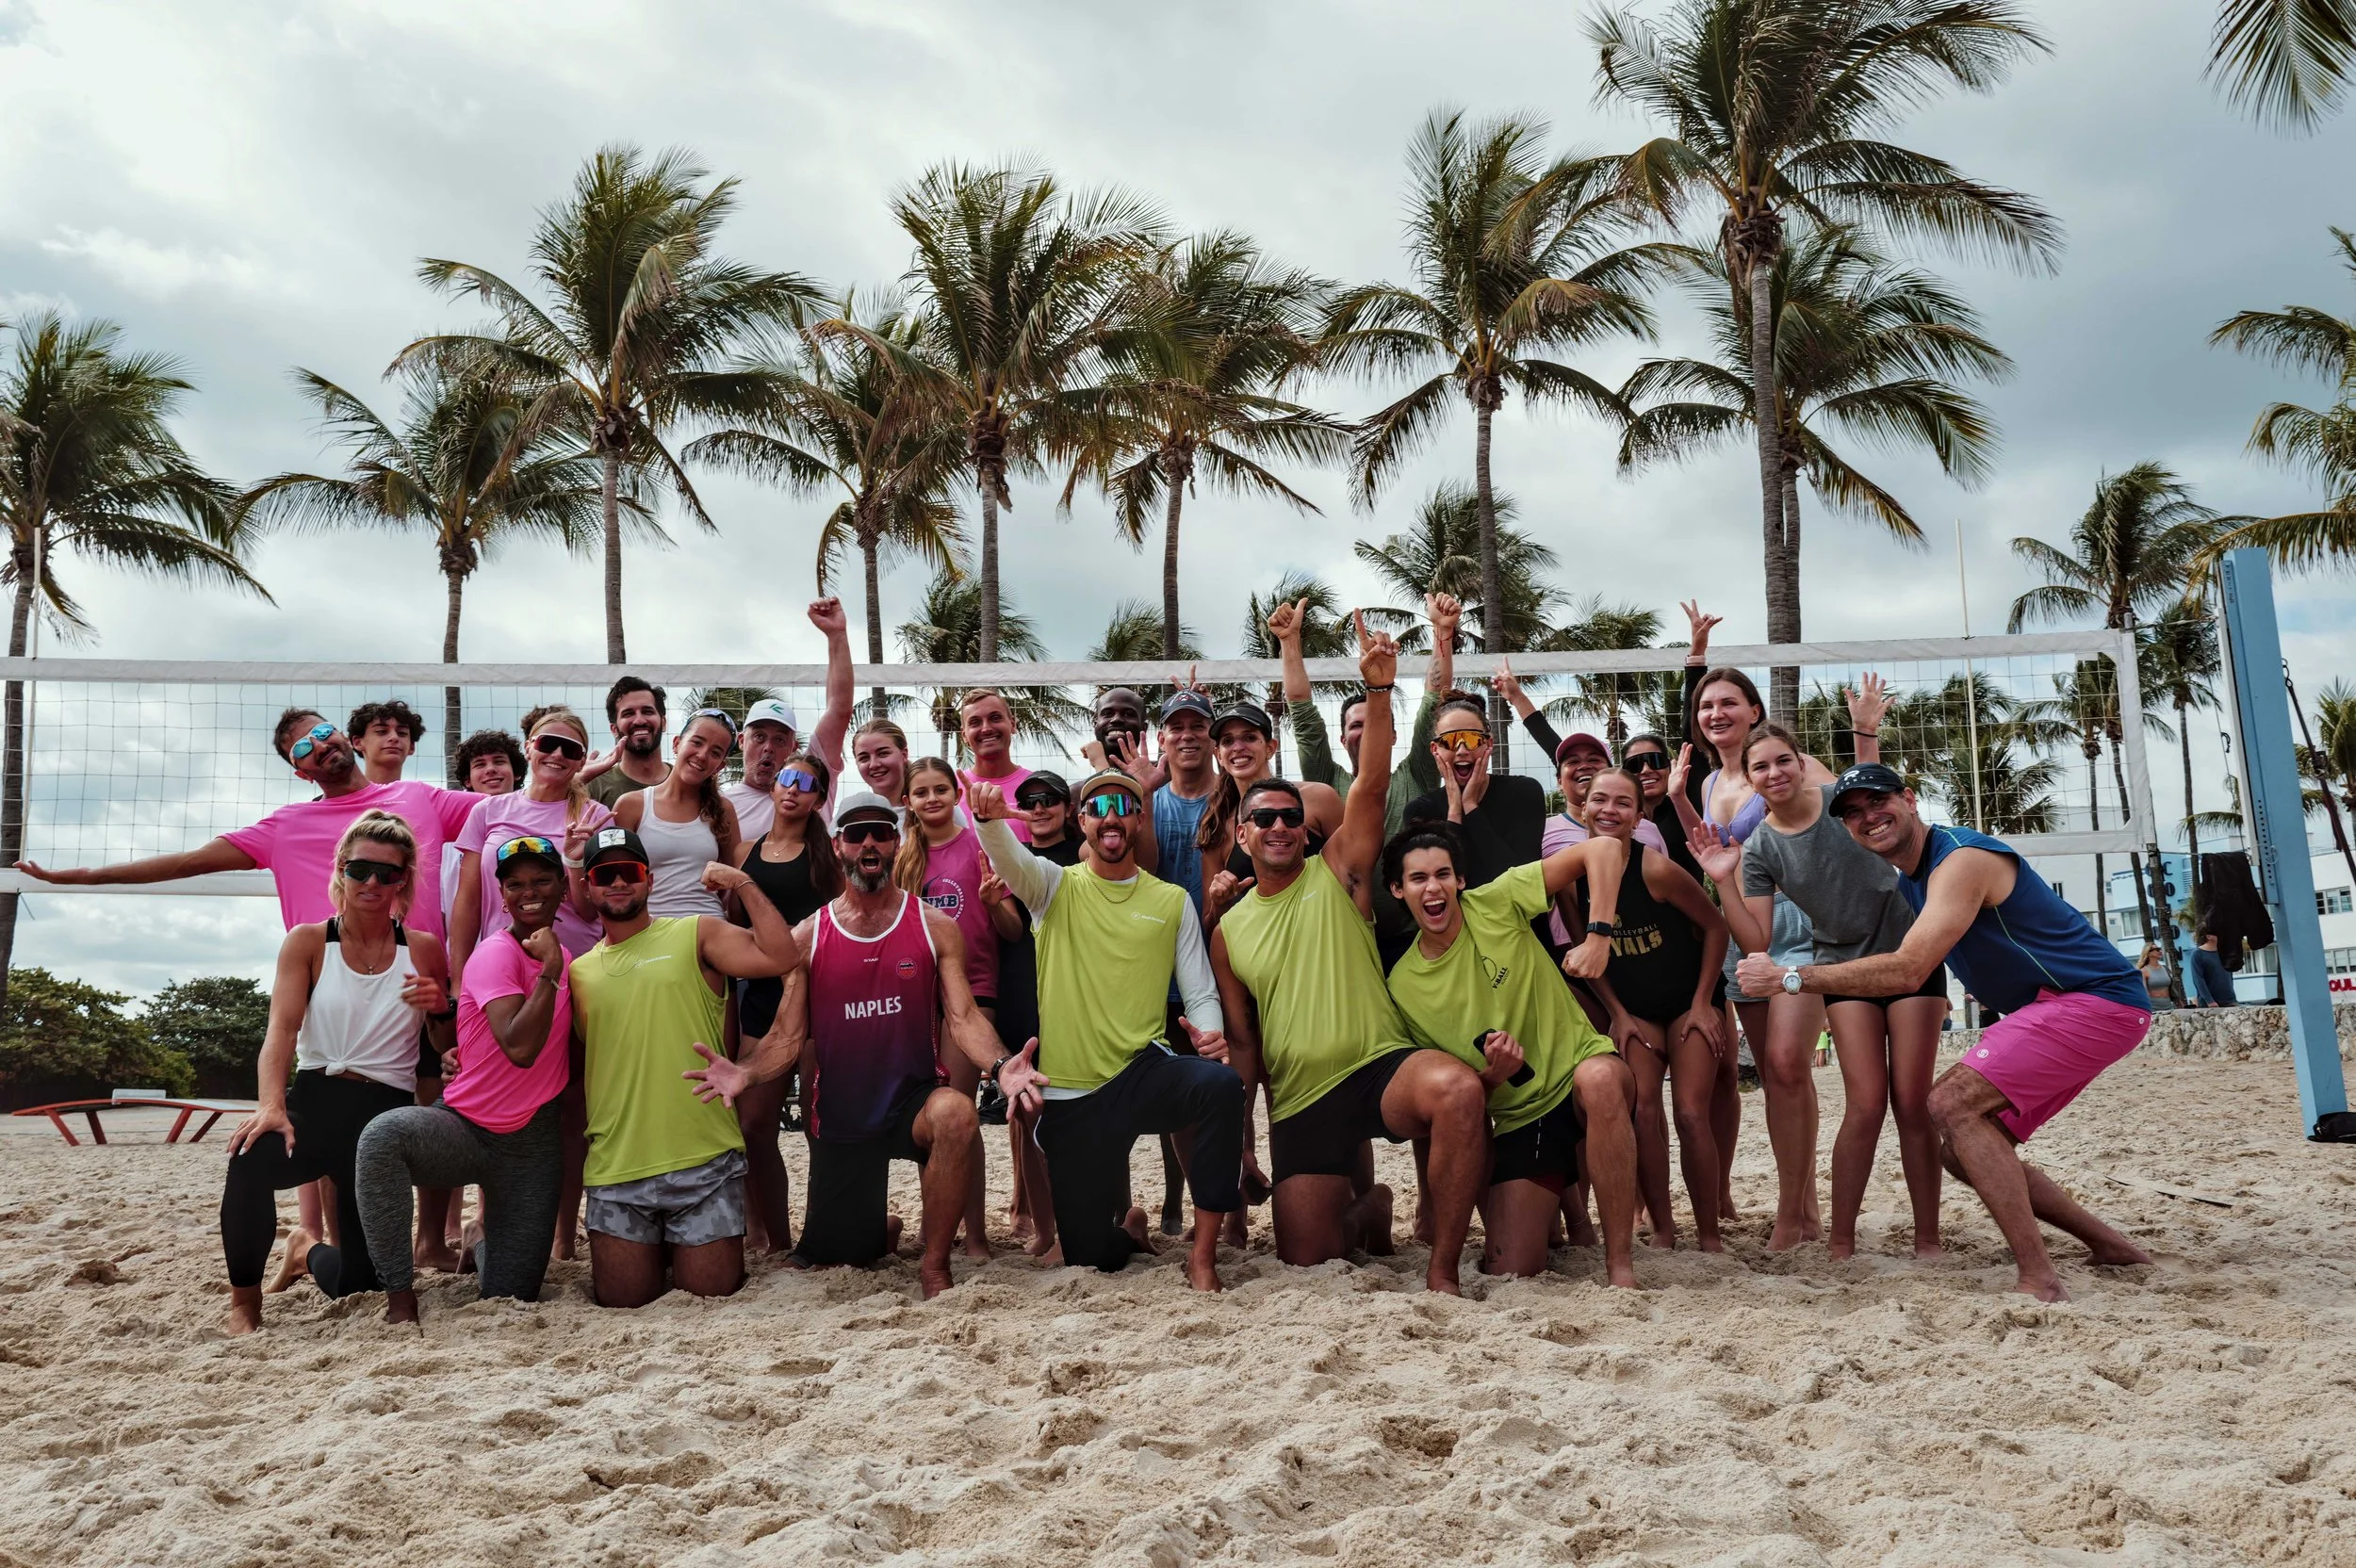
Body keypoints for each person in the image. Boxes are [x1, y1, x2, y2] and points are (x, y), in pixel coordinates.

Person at [1742, 764, 2154, 1301]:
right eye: (1853, 813)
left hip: (2094, 1001)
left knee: (1949, 1104)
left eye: (1879, 801)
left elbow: (1909, 969)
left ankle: (2038, 1276)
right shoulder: (1912, 876)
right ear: (1844, 828)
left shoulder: (1960, 859)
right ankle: (2110, 1245)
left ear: (1910, 799)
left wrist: (1789, 977)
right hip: (2061, 1008)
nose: (1869, 817)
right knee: (1962, 1151)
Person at [1213, 615, 1490, 1296]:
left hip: (1378, 1066)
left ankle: (1443, 1269)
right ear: (1242, 834)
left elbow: (1368, 785)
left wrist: (1380, 692)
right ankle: (1374, 1209)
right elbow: (1243, 1044)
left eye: (1290, 817)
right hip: (1302, 1098)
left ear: (1306, 830)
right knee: (1307, 1256)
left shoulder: (1338, 872)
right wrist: (1242, 1139)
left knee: (1458, 1090)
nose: (1280, 826)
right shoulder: (1228, 928)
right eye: (1265, 820)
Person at [690, 791, 1049, 1298]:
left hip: (912, 1103)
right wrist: (746, 1072)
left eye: (881, 831)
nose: (870, 843)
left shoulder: (934, 926)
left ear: (897, 842)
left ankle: (935, 1265)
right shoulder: (810, 934)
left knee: (957, 1115)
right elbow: (787, 1036)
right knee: (841, 1255)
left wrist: (1000, 1065)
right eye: (856, 833)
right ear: (838, 845)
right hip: (842, 1117)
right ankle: (878, 1229)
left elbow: (964, 1017)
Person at [972, 773, 1241, 1290]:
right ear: (1082, 821)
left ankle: (1203, 1255)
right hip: (1073, 1091)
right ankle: (1131, 1230)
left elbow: (1201, 991)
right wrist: (986, 820)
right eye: (1098, 807)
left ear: (1140, 819)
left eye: (1124, 805)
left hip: (1143, 1068)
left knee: (1221, 1087)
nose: (1111, 816)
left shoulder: (1170, 900)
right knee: (1088, 1257)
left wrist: (1209, 1035)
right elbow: (1010, 858)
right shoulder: (1052, 886)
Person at [1691, 724, 1948, 1261]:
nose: (1774, 773)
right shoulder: (1759, 846)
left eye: (1783, 761)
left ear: (1802, 763)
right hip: (1841, 966)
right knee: (1865, 1103)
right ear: (1750, 779)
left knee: (1911, 1102)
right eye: (1761, 767)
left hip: (1907, 958)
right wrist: (1722, 880)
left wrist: (1868, 732)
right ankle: (1840, 1240)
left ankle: (1928, 1240)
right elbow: (1756, 939)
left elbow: (1883, 799)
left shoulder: (1841, 805)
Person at [217, 811, 453, 1334]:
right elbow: (280, 1031)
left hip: (384, 1117)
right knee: (248, 1157)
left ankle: (305, 1249)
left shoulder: (424, 949)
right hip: (317, 1097)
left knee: (358, 1283)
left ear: (403, 880)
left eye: (388, 873)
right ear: (341, 869)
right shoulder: (307, 942)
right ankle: (244, 1305)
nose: (372, 882)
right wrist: (271, 1107)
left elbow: (439, 1047)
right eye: (361, 869)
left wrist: (440, 1009)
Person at [1383, 821, 1644, 1285]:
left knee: (1599, 1081)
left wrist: (1598, 936)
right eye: (1417, 878)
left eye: (1443, 874)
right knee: (1512, 1267)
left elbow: (1602, 848)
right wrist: (1492, 1076)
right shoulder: (1402, 986)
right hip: (1522, 1115)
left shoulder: (1497, 901)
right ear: (1398, 890)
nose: (1433, 886)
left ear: (1460, 881)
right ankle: (1562, 1207)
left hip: (1584, 1067)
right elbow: (1455, 1102)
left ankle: (1619, 1265)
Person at [567, 825, 802, 1307]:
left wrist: (742, 883)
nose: (617, 883)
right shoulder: (577, 971)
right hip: (617, 1170)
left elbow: (782, 954)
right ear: (588, 887)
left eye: (628, 872)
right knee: (623, 1300)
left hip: (704, 1164)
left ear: (649, 880)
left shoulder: (695, 933)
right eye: (604, 874)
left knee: (710, 1294)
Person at [354, 834, 573, 1323]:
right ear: (502, 895)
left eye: (541, 880)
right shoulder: (500, 954)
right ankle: (399, 1297)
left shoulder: (571, 962)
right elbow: (519, 1047)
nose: (528, 892)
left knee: (512, 1294)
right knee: (382, 1138)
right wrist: (550, 970)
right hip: (466, 1127)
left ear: (563, 886)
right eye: (515, 885)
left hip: (531, 1143)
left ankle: (481, 1239)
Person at [19, 708, 480, 937]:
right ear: (302, 772)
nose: (318, 744)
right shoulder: (285, 827)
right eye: (303, 748)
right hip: (330, 988)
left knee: (426, 1112)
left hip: (421, 980)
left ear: (343, 736)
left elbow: (512, 811)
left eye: (322, 732)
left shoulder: (419, 798)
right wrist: (86, 877)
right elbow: (187, 863)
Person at [1579, 766, 1733, 1251]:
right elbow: (1591, 952)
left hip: (1688, 1001)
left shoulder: (1656, 869)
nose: (1609, 810)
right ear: (1582, 806)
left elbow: (1716, 928)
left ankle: (1708, 1234)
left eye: (1622, 803)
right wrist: (1617, 1014)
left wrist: (1704, 1003)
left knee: (1690, 1114)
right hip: (1635, 1009)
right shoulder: (1571, 873)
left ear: (1638, 815)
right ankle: (1664, 1229)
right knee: (1642, 1112)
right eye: (1599, 800)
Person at [895, 756, 1023, 1256]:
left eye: (940, 789)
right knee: (930, 1116)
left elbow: (1013, 931)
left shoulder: (979, 846)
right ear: (907, 801)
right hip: (918, 995)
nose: (931, 799)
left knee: (961, 1114)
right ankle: (939, 1228)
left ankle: (974, 1236)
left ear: (957, 794)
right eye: (921, 792)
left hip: (976, 991)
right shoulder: (905, 855)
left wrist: (994, 904)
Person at [728, 750, 842, 1253]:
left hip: (816, 994)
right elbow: (733, 927)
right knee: (754, 1124)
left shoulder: (826, 858)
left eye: (806, 783)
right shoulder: (743, 852)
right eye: (786, 779)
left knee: (821, 1125)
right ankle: (771, 1236)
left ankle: (820, 1231)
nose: (793, 789)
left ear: (819, 799)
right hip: (760, 997)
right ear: (773, 786)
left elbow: (841, 924)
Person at [1276, 591, 1455, 836]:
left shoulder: (1417, 775)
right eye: (1356, 725)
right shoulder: (1325, 780)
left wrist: (1443, 633)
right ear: (1342, 739)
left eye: (1373, 723)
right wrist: (1289, 641)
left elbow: (1436, 699)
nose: (1366, 731)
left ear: (1392, 736)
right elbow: (1302, 711)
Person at [450, 707, 610, 974]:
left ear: (581, 762)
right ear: (528, 748)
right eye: (548, 743)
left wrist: (573, 861)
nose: (557, 754)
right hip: (499, 965)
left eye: (570, 750)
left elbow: (590, 912)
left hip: (574, 965)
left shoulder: (594, 815)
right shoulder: (487, 811)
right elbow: (468, 902)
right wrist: (458, 978)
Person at [722, 599, 857, 842]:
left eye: (780, 739)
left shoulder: (812, 785)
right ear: (742, 741)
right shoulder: (721, 805)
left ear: (793, 748)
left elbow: (839, 710)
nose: (768, 747)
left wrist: (836, 635)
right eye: (759, 736)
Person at [614, 708, 743, 918]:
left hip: (708, 928)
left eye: (715, 752)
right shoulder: (631, 805)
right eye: (697, 742)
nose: (702, 755)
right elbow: (614, 881)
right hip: (649, 929)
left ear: (720, 766)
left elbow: (734, 882)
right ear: (676, 744)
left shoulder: (723, 809)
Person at [957, 689, 1034, 841]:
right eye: (975, 722)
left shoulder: (1037, 785)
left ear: (1012, 725)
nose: (986, 728)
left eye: (995, 718)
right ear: (964, 735)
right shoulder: (950, 790)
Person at [587, 677, 671, 808]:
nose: (639, 720)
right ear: (614, 729)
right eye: (628, 714)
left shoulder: (688, 781)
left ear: (663, 723)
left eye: (647, 711)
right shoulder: (593, 786)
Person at [349, 699, 428, 786]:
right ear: (358, 743)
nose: (394, 737)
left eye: (402, 733)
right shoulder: (341, 798)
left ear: (411, 746)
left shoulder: (429, 796)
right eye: (381, 731)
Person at [851, 716, 913, 807]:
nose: (873, 765)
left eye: (883, 753)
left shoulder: (931, 810)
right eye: (864, 758)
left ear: (904, 755)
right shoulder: (849, 815)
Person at [455, 728, 526, 797]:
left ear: (516, 772)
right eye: (480, 764)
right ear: (467, 780)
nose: (490, 769)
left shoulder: (535, 807)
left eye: (499, 762)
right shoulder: (454, 809)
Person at [2189, 929, 2239, 1007]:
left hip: (2230, 1001)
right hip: (2210, 1004)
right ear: (2209, 936)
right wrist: (2209, 1001)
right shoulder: (2198, 954)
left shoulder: (2225, 952)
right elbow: (2198, 979)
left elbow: (2229, 975)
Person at [2137, 943, 2178, 1012]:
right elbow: (2143, 993)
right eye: (2157, 949)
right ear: (2149, 953)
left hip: (2169, 1005)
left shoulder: (2165, 968)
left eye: (2160, 949)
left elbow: (2171, 988)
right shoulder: (2144, 971)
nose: (2160, 951)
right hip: (2153, 1007)